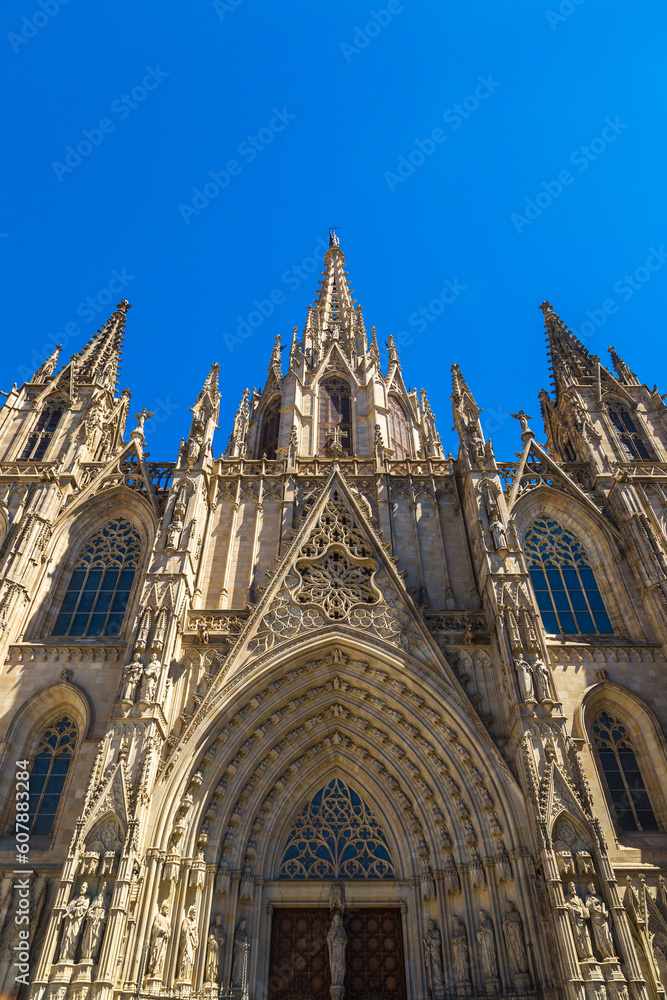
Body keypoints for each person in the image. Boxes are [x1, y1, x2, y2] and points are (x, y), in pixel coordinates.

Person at [59, 882, 90, 962]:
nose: (81, 888)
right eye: (81, 887)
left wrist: (75, 910)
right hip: (70, 921)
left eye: (83, 887)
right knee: (67, 937)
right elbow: (69, 906)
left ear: (87, 889)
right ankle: (63, 956)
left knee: (74, 937)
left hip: (77, 921)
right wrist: (70, 908)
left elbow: (84, 909)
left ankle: (70, 957)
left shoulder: (87, 898)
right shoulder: (75, 898)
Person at [147, 902, 171, 978]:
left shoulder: (168, 918)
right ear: (163, 908)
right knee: (155, 952)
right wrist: (161, 930)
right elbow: (155, 926)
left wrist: (168, 933)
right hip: (158, 938)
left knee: (161, 955)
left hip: (164, 939)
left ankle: (157, 968)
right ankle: (152, 968)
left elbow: (169, 929)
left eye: (168, 909)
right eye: (166, 908)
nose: (167, 910)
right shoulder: (158, 916)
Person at [327, 912, 347, 987]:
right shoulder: (332, 929)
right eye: (336, 919)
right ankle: (334, 980)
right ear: (334, 920)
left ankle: (339, 980)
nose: (337, 920)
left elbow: (345, 940)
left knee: (340, 965)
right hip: (334, 950)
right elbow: (329, 939)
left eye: (339, 919)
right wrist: (333, 936)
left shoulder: (342, 929)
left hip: (340, 950)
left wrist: (343, 941)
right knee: (334, 965)